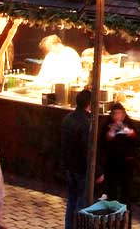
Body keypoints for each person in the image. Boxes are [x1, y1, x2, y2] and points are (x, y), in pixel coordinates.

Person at [60, 88, 95, 229]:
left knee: (71, 200)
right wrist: (97, 172)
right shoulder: (87, 123)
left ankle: (69, 226)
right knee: (81, 201)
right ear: (89, 104)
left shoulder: (68, 118)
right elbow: (87, 149)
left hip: (69, 167)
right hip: (81, 168)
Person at [100, 101, 139, 203]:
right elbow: (104, 140)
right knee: (111, 190)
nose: (117, 116)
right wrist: (112, 130)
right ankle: (112, 214)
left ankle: (125, 214)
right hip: (111, 163)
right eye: (115, 113)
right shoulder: (107, 125)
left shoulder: (130, 124)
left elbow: (136, 139)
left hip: (126, 163)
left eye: (119, 113)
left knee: (125, 191)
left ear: (124, 114)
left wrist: (130, 133)